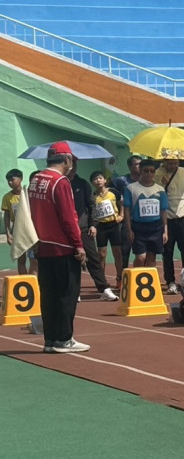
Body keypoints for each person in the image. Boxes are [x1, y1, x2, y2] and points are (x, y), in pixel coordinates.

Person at [27, 142, 89, 353]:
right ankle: (64, 339)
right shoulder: (60, 182)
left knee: (49, 295)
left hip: (43, 245)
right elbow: (68, 217)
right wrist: (78, 245)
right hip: (63, 247)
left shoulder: (36, 179)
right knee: (67, 295)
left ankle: (50, 339)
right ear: (67, 160)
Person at [67, 157, 118, 301]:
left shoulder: (82, 184)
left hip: (83, 228)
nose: (72, 168)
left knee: (93, 258)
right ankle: (74, 292)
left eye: (74, 165)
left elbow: (92, 205)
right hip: (66, 229)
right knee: (71, 261)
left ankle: (104, 289)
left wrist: (93, 224)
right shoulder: (60, 183)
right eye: (70, 165)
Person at [156, 158, 184, 295]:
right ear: (165, 162)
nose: (172, 165)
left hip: (183, 215)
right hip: (166, 217)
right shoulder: (158, 173)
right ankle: (171, 282)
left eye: (175, 163)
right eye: (170, 163)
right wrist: (162, 184)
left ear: (179, 162)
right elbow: (155, 193)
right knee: (167, 251)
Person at [123, 159, 170, 268]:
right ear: (140, 171)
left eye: (152, 171)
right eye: (146, 171)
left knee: (151, 258)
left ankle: (148, 278)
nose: (149, 173)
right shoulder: (131, 188)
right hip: (138, 227)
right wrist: (129, 230)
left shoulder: (160, 189)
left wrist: (165, 231)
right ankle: (137, 276)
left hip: (156, 228)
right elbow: (127, 210)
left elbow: (163, 211)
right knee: (140, 257)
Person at [89, 170, 124, 291]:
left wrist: (121, 215)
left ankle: (119, 279)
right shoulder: (93, 196)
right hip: (101, 226)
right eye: (95, 179)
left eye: (100, 178)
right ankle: (102, 281)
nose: (98, 181)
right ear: (92, 183)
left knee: (117, 253)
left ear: (105, 180)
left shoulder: (113, 192)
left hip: (114, 225)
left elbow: (121, 203)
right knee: (101, 255)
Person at [112, 155, 142, 269]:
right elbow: (110, 194)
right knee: (124, 251)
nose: (139, 166)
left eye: (141, 164)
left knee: (142, 253)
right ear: (130, 167)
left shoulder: (147, 181)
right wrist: (119, 211)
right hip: (126, 221)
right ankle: (122, 276)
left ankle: (139, 275)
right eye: (137, 164)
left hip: (142, 221)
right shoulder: (121, 181)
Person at [3, 168, 33, 275]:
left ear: (20, 179)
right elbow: (6, 215)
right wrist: (8, 233)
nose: (10, 183)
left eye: (12, 180)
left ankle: (34, 280)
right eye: (8, 181)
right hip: (17, 229)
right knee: (21, 259)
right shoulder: (7, 197)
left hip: (31, 228)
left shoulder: (27, 193)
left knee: (34, 259)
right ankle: (24, 280)